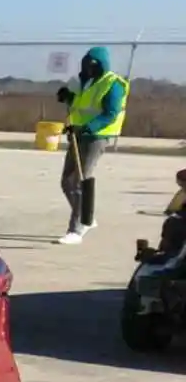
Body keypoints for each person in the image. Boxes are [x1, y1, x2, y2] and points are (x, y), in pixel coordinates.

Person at [56, 46, 129, 245]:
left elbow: (110, 113)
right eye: (87, 64)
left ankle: (77, 228)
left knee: (81, 179)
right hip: (78, 132)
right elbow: (81, 104)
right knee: (66, 181)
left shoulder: (113, 84)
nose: (89, 68)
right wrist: (68, 97)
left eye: (94, 65)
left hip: (97, 135)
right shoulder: (83, 81)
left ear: (102, 65)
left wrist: (91, 127)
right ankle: (87, 216)